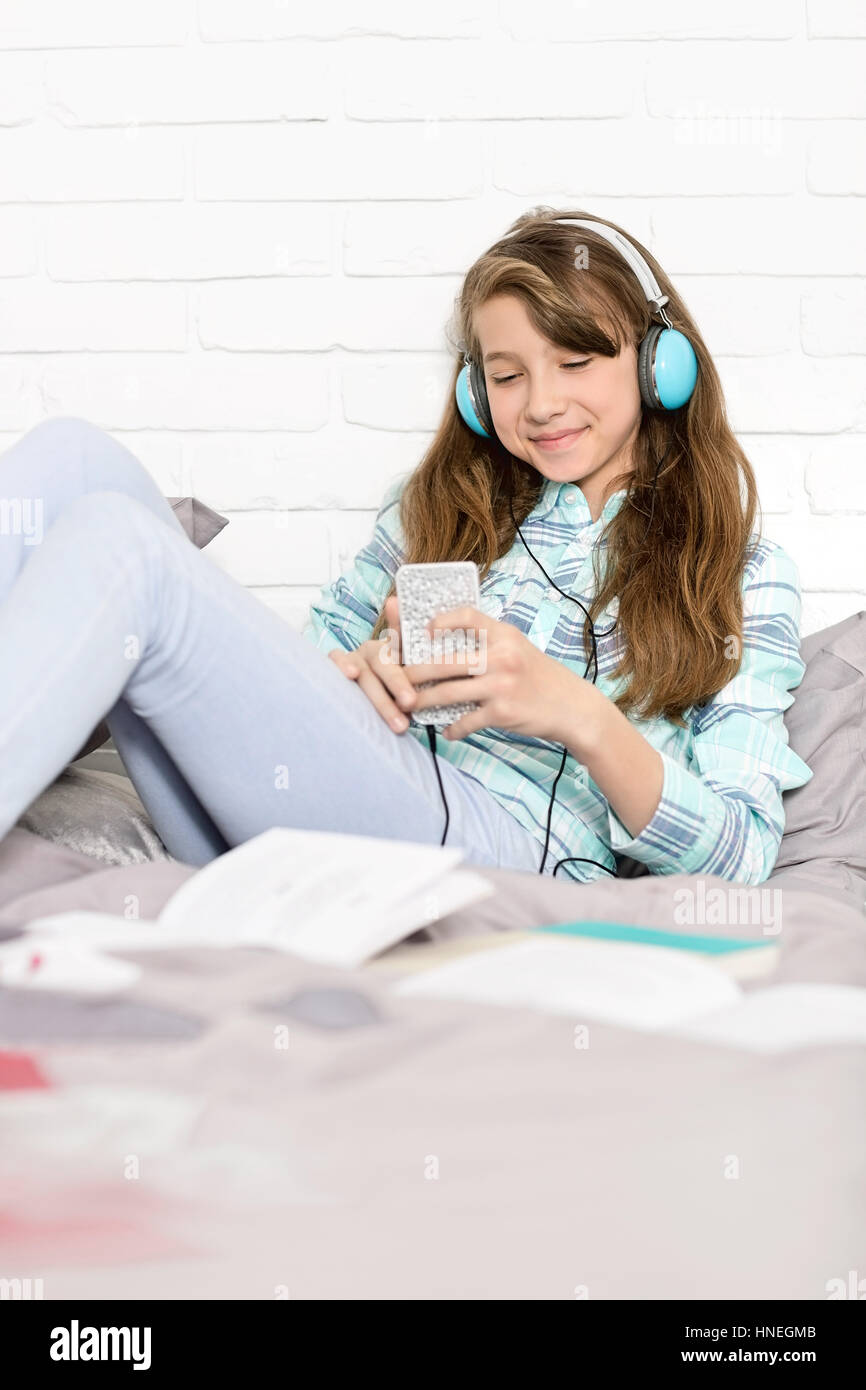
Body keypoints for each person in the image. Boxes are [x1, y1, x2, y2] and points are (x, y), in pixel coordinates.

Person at [0, 208, 812, 883]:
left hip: (491, 850)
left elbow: (741, 856)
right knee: (73, 458)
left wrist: (582, 717)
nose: (542, 403)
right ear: (473, 388)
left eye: (576, 360)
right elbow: (280, 702)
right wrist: (361, 676)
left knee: (124, 547)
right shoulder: (434, 510)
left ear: (657, 365)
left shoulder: (744, 577)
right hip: (305, 814)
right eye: (507, 375)